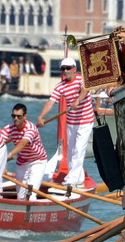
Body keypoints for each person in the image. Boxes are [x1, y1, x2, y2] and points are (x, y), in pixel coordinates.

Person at [37, 56, 93, 187]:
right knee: (71, 151)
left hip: (85, 121)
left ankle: (71, 180)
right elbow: (50, 102)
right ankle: (78, 177)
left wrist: (78, 100)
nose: (66, 71)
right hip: (71, 122)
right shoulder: (60, 86)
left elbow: (84, 90)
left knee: (79, 149)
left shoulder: (81, 79)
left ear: (75, 69)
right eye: (63, 69)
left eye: (68, 68)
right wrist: (40, 117)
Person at [4, 103, 47, 200]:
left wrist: (9, 155)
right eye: (13, 116)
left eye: (19, 116)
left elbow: (23, 143)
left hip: (37, 161)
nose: (15, 119)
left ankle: (31, 210)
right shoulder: (9, 128)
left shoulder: (31, 128)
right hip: (22, 162)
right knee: (20, 197)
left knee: (30, 195)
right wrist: (2, 163)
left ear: (25, 117)